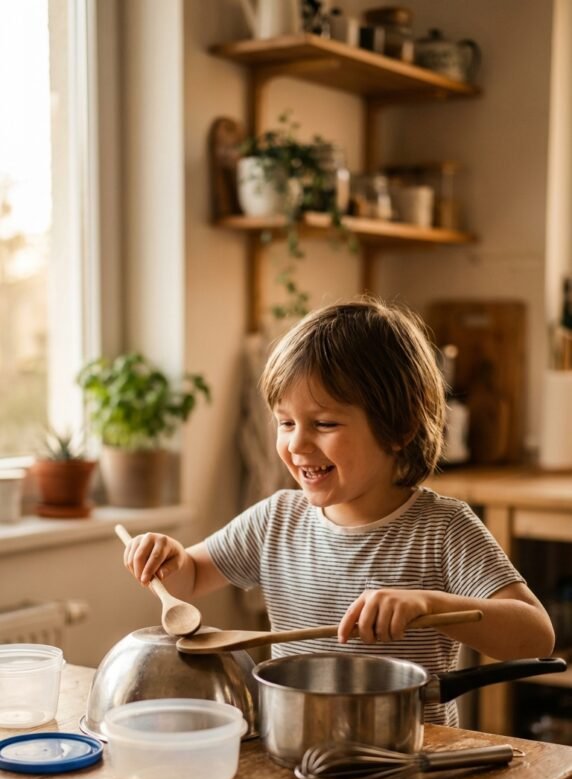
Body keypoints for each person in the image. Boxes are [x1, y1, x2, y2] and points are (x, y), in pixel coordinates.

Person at [122, 298, 554, 726]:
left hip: (410, 759)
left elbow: (534, 635)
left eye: (324, 424)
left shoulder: (442, 529)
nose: (296, 444)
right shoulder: (275, 520)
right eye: (285, 423)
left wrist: (427, 604)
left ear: (400, 425)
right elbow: (190, 578)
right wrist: (165, 558)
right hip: (296, 749)